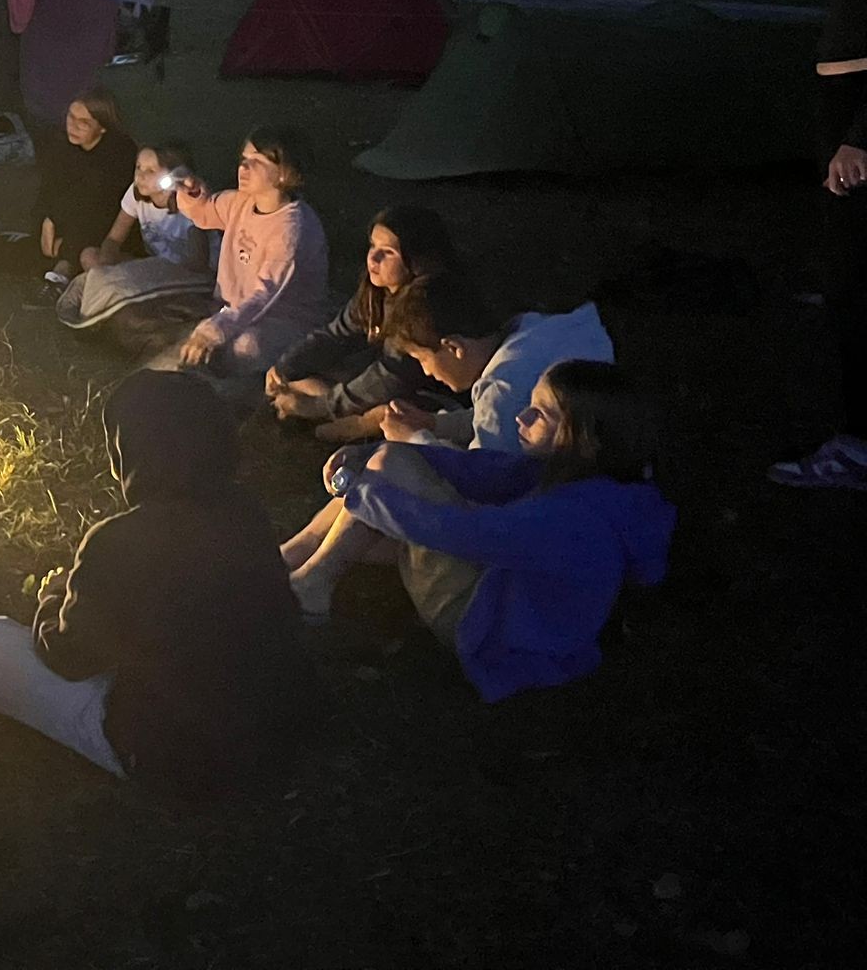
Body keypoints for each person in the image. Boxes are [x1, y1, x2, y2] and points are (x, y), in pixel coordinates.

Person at [0, 370, 316, 796]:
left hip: (179, 756)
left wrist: (53, 597)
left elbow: (68, 657)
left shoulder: (118, 542)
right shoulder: (246, 511)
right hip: (276, 734)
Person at [281, 361, 675, 699]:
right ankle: (292, 555)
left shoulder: (572, 521)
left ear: (584, 437)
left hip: (486, 628)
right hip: (501, 593)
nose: (522, 417)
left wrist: (366, 489)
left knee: (389, 471)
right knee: (387, 472)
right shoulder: (596, 485)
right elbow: (483, 471)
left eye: (541, 414)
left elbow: (462, 533)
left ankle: (312, 586)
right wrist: (366, 458)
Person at [766, 0, 867, 490]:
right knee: (844, 272)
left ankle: (857, 446)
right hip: (843, 95)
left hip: (860, 107)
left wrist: (861, 137)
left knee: (856, 282)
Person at [264, 205, 462, 442]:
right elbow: (336, 335)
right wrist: (286, 366)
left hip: (428, 398)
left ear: (419, 261)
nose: (373, 258)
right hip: (381, 385)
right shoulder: (376, 292)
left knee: (374, 414)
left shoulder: (425, 305)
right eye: (373, 246)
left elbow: (390, 375)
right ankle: (329, 418)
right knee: (298, 380)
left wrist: (320, 406)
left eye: (388, 252)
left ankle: (349, 427)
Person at [163, 128, 330, 377]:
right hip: (236, 309)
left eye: (256, 161)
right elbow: (205, 213)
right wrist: (193, 192)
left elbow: (264, 294)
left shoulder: (292, 229)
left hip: (283, 319)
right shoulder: (241, 202)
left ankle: (223, 386)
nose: (243, 167)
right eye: (244, 158)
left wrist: (213, 332)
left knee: (246, 346)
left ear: (285, 172)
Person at [378, 275, 614, 451]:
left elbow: (482, 476)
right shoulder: (531, 328)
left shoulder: (503, 384)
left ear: (453, 348)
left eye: (422, 359)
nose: (427, 371)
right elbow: (494, 420)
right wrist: (434, 424)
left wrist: (414, 440)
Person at [54, 140, 216, 332]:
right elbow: (114, 239)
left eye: (151, 171)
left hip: (192, 275)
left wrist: (142, 275)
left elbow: (198, 263)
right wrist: (105, 269)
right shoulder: (135, 193)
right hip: (156, 265)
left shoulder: (189, 202)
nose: (141, 175)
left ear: (175, 175)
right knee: (90, 257)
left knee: (124, 286)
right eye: (139, 167)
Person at [35, 88, 139, 288]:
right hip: (65, 224)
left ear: (103, 127)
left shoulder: (119, 153)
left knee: (88, 218)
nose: (72, 126)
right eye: (70, 116)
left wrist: (55, 222)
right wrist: (48, 220)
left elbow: (94, 198)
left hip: (106, 228)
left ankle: (64, 268)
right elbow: (49, 190)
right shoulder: (62, 146)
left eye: (83, 122)